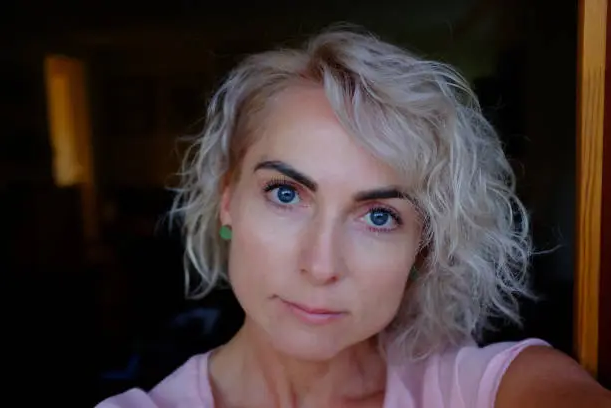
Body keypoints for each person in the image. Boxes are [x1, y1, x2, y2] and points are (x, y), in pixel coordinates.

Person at [96, 28, 611, 408]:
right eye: (284, 193)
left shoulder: (484, 389)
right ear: (228, 201)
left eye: (380, 217)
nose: (321, 266)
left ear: (422, 249)